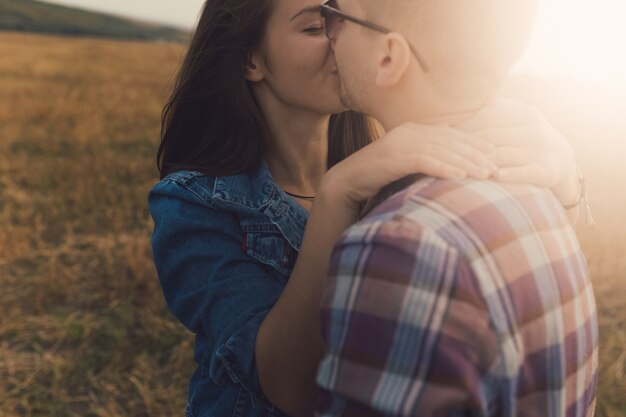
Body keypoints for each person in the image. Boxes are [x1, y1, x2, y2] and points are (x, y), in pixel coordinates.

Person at [148, 0, 584, 416]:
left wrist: (565, 177)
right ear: (251, 60)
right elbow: (286, 387)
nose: (338, 32)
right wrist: (337, 195)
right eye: (317, 25)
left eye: (341, 15)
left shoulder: (397, 161)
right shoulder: (193, 205)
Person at [316, 0, 598, 416]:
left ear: (389, 57)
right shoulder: (546, 197)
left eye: (337, 12)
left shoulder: (402, 248)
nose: (330, 30)